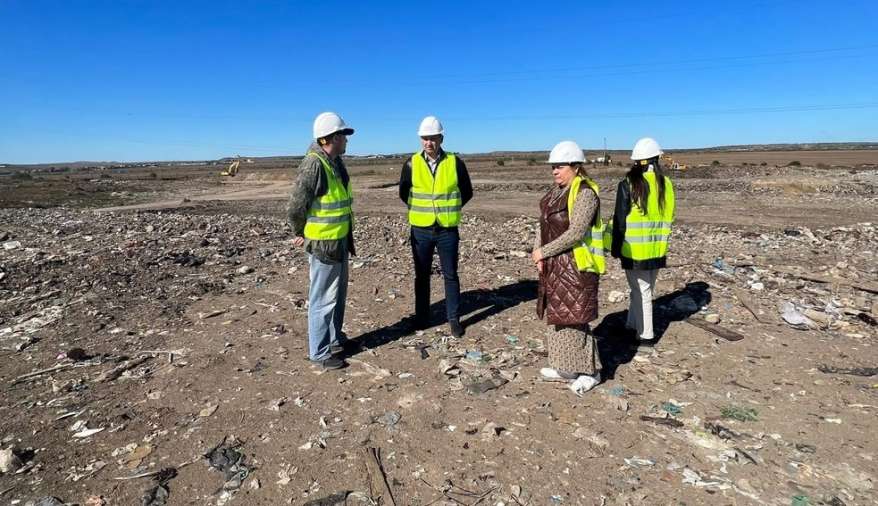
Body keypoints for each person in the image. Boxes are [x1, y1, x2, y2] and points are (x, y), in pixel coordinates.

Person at [532, 141, 606, 395]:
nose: (554, 171)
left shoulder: (585, 193)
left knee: (576, 319)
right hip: (555, 265)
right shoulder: (555, 193)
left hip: (577, 267)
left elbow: (576, 233)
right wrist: (538, 251)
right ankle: (566, 367)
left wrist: (544, 251)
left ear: (576, 167)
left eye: (560, 166)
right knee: (558, 318)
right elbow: (543, 225)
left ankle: (591, 372)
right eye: (553, 166)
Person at [287, 112, 356, 370]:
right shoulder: (314, 164)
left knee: (337, 297)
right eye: (343, 135)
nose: (347, 140)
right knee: (323, 299)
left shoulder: (334, 162)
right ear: (331, 138)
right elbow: (296, 205)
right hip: (323, 244)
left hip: (338, 240)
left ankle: (334, 340)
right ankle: (319, 352)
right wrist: (299, 231)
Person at [398, 116, 473, 337]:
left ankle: (454, 320)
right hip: (421, 229)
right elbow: (404, 193)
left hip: (447, 229)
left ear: (441, 138)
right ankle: (422, 318)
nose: (428, 143)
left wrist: (450, 211)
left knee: (451, 275)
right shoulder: (411, 163)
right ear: (420, 140)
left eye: (432, 138)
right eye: (424, 139)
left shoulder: (454, 162)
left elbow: (466, 191)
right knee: (421, 275)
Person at [611, 137, 676, 344]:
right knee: (641, 290)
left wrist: (615, 247)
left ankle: (646, 336)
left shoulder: (628, 184)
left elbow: (619, 220)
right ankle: (631, 325)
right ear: (656, 159)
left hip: (635, 251)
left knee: (643, 292)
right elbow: (669, 215)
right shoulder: (666, 184)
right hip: (657, 249)